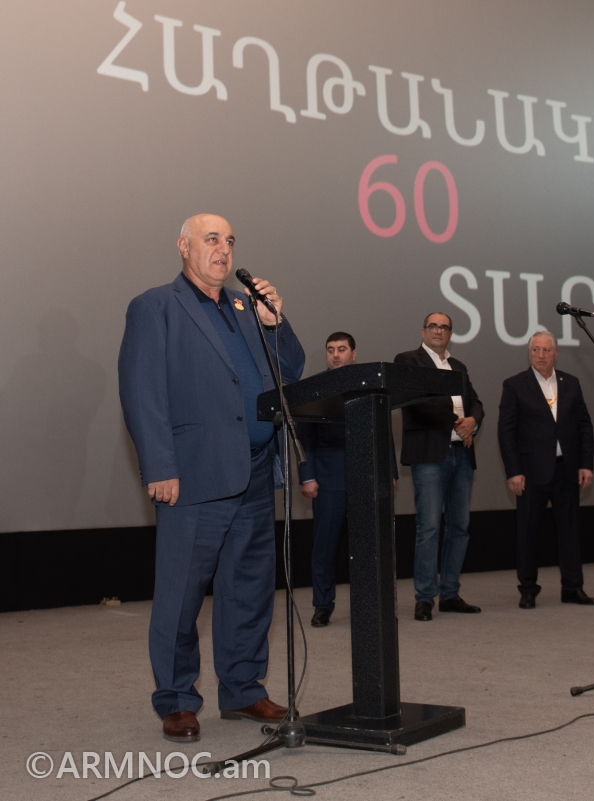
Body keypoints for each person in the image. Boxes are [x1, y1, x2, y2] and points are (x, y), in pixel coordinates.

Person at [117, 214, 305, 743]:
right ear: (184, 247)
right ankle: (177, 699)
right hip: (194, 473)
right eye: (212, 239)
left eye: (230, 241)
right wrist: (160, 466)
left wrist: (276, 323)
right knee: (181, 593)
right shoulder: (155, 306)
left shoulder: (247, 308)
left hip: (255, 469)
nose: (223, 249)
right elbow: (141, 390)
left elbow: (291, 369)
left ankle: (243, 689)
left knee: (249, 589)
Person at [297, 332, 397, 628]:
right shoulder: (314, 387)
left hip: (366, 476)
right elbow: (304, 438)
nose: (336, 355)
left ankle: (368, 605)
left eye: (342, 349)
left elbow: (383, 430)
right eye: (331, 350)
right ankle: (322, 605)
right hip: (328, 479)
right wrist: (307, 476)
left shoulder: (369, 384)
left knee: (368, 547)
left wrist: (389, 471)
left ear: (354, 353)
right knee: (324, 547)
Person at [394, 313, 484, 622]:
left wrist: (473, 421)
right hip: (430, 454)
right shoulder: (409, 361)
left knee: (459, 526)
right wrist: (458, 423)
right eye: (433, 326)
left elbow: (476, 402)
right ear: (423, 331)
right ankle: (424, 598)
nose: (438, 330)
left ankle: (449, 594)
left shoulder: (458, 367)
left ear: (450, 333)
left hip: (462, 454)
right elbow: (418, 403)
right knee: (429, 527)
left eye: (444, 327)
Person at [497, 331, 594, 609]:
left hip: (567, 469)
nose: (541, 355)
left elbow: (584, 427)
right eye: (535, 350)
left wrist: (586, 464)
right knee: (528, 533)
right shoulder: (515, 385)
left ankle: (573, 588)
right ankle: (528, 589)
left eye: (546, 350)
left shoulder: (571, 383)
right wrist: (513, 471)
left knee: (570, 532)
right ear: (529, 353)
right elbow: (506, 432)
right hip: (530, 473)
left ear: (556, 354)